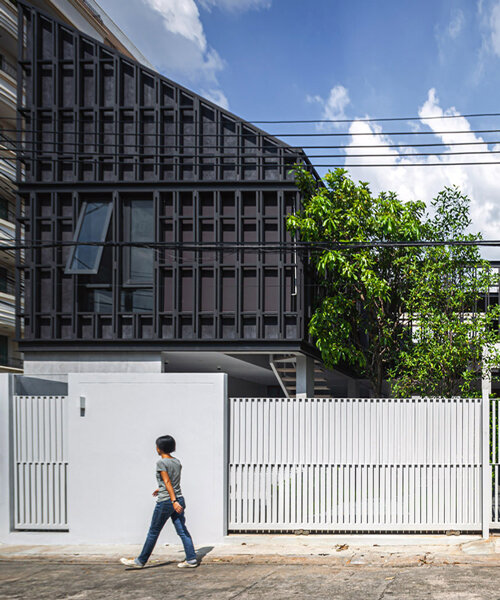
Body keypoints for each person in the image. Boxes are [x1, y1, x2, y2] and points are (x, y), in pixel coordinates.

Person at [120, 435, 198, 569]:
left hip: (167, 501)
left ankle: (140, 561)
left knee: (153, 531)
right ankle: (191, 559)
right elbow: (172, 481)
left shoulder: (161, 463)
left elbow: (168, 482)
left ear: (160, 448)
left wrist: (172, 500)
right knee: (182, 531)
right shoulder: (177, 462)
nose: (156, 448)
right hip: (179, 499)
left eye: (157, 446)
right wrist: (160, 488)